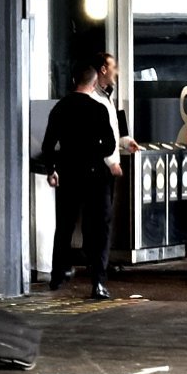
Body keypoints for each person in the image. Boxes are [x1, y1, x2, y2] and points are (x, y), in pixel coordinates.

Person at [40, 66, 119, 299]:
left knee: (64, 225)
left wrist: (52, 169)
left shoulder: (60, 107)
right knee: (97, 230)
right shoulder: (99, 108)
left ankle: (57, 274)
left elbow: (47, 145)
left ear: (75, 80)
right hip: (96, 175)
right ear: (94, 84)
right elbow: (110, 146)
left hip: (69, 173)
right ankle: (98, 282)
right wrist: (94, 149)